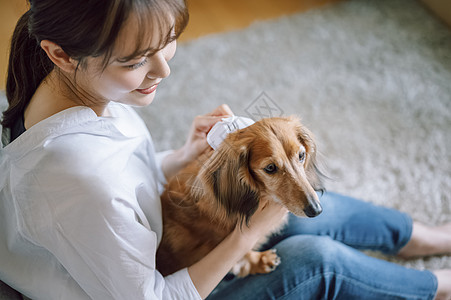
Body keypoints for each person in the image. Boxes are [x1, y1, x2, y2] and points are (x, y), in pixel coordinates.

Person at [0, 0, 450, 299]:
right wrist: (246, 237)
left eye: (164, 45)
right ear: (60, 54)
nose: (163, 70)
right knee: (316, 261)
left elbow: (121, 186)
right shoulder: (73, 182)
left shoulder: (73, 92)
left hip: (144, 248)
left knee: (308, 208)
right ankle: (436, 286)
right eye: (135, 60)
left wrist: (181, 154)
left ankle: (425, 237)